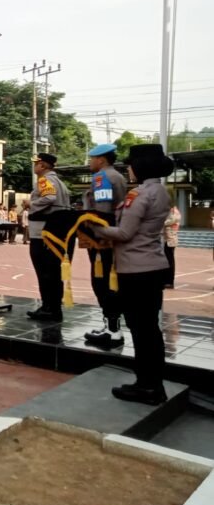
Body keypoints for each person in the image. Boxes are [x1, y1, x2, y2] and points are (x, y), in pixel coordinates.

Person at [92, 144, 174, 405]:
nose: (128, 169)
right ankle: (153, 384)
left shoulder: (139, 194)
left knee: (141, 329)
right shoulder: (161, 191)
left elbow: (125, 233)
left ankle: (146, 386)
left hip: (136, 269)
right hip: (154, 266)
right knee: (150, 329)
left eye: (131, 165)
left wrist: (94, 227)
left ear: (141, 167)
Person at [82, 143, 128, 348]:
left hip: (101, 240)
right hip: (111, 237)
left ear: (101, 159)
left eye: (92, 159)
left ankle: (112, 329)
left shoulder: (102, 177)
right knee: (109, 283)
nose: (90, 162)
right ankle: (111, 325)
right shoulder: (118, 176)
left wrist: (97, 234)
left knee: (102, 283)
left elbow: (102, 212)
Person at [27, 153, 72, 321]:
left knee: (44, 272)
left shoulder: (44, 180)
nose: (35, 166)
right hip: (56, 234)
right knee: (53, 273)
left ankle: (49, 307)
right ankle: (53, 307)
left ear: (43, 166)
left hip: (42, 234)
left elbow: (49, 197)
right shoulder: (60, 183)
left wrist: (31, 204)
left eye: (36, 164)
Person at [163, 203, 181, 289]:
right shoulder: (170, 210)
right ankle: (166, 280)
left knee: (170, 261)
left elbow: (171, 220)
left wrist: (161, 222)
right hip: (167, 239)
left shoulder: (174, 211)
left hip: (171, 240)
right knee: (166, 261)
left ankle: (170, 281)